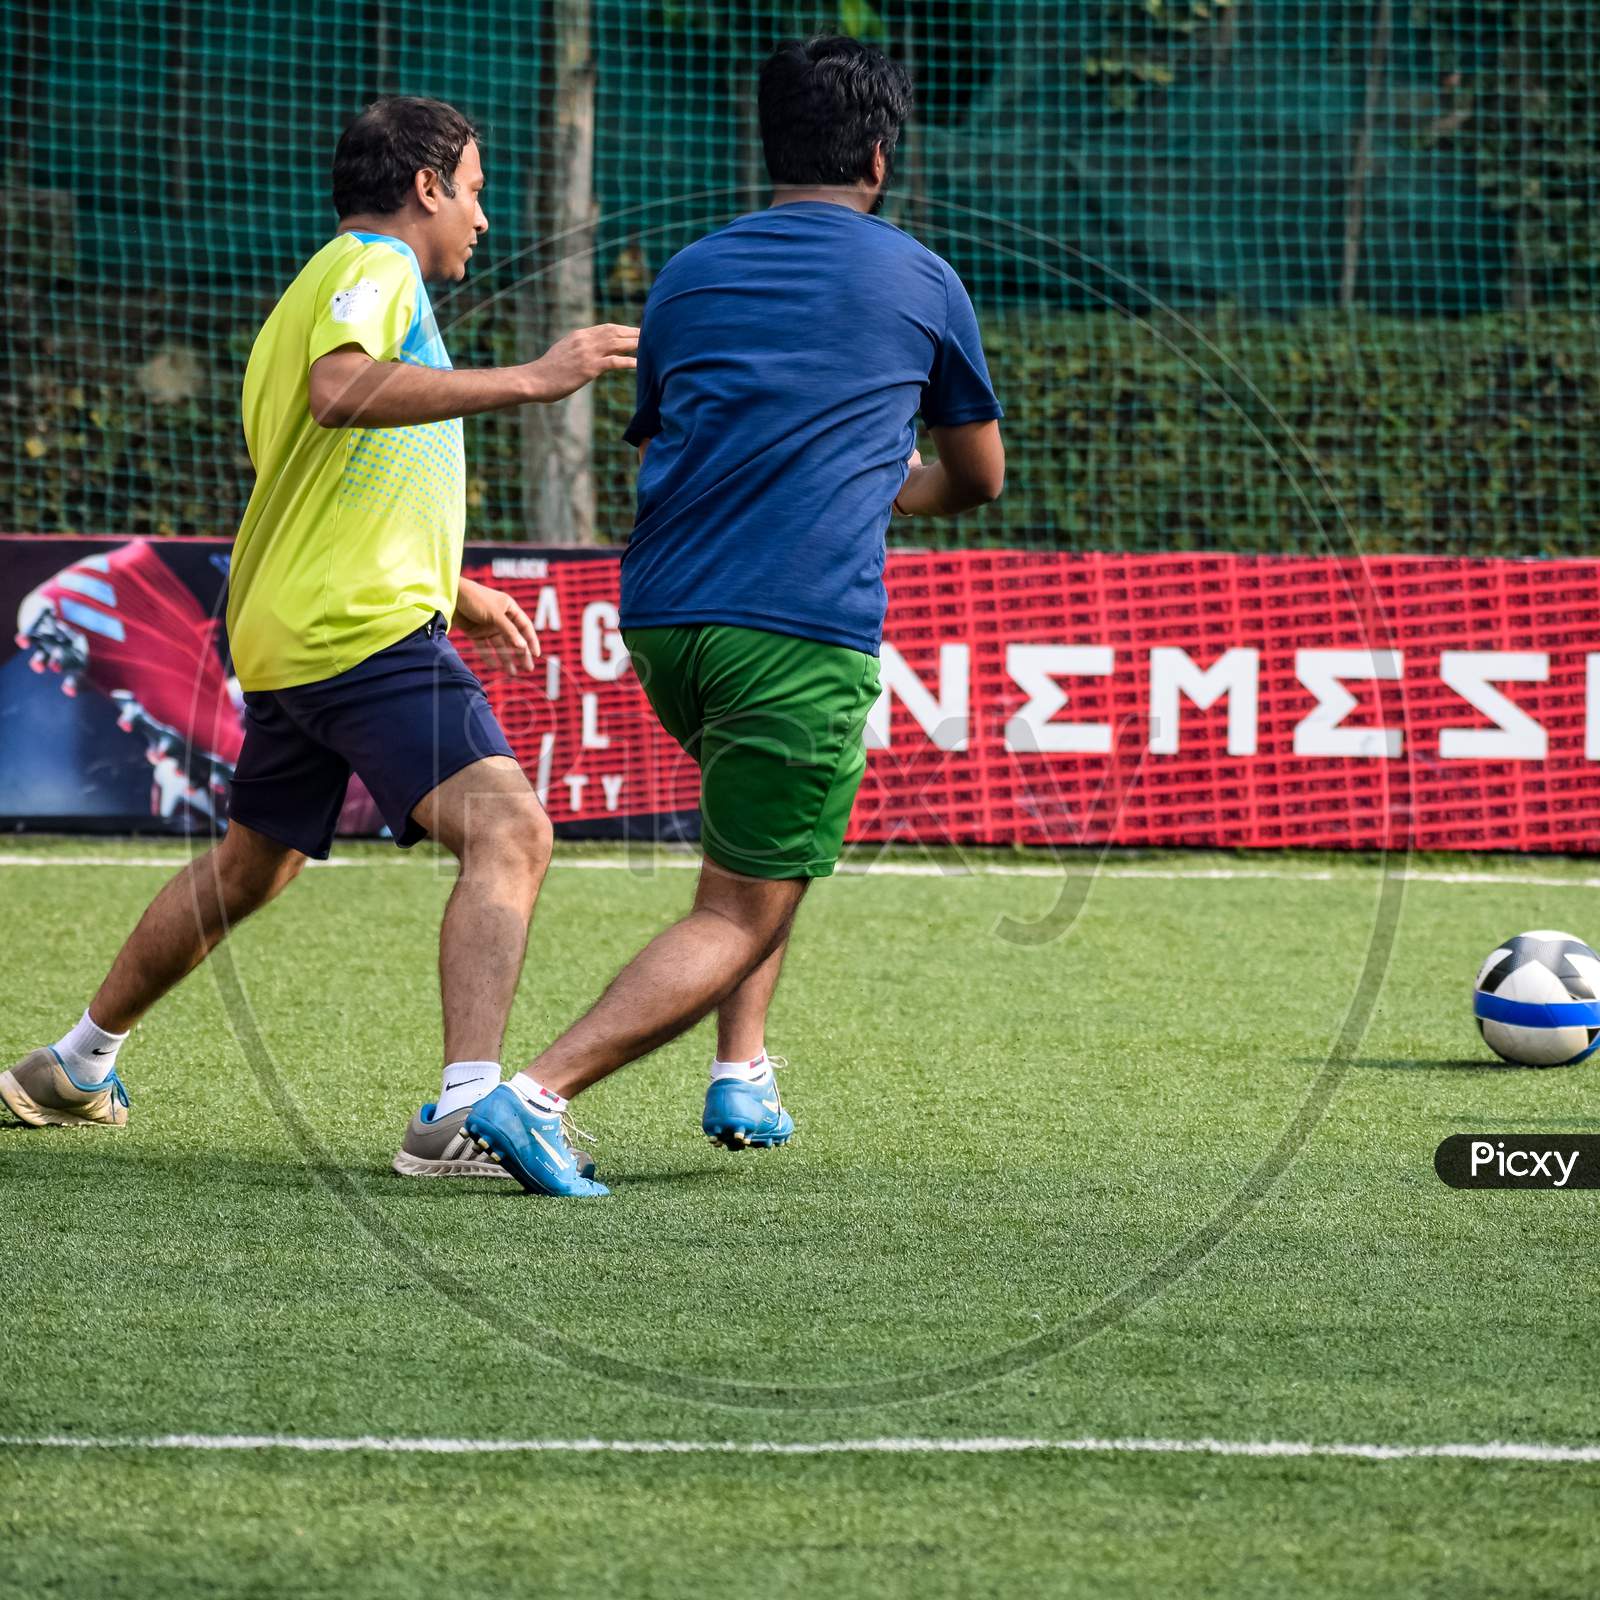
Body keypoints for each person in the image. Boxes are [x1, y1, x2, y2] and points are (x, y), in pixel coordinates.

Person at [0, 96, 636, 1182]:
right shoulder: (373, 268)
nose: (482, 217)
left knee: (253, 866)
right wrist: (538, 376)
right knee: (511, 834)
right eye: (475, 190)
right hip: (357, 624)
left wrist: (460, 584)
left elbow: (335, 470)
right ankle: (468, 1107)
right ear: (426, 187)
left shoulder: (319, 289)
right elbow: (340, 393)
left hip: (298, 620)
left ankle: (73, 1061)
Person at [462, 35, 1005, 1196]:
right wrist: (889, 479)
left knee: (764, 845)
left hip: (664, 619)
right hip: (795, 625)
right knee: (736, 901)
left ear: (770, 148)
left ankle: (741, 1065)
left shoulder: (689, 274)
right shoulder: (921, 279)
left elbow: (670, 436)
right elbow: (978, 477)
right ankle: (536, 1093)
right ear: (877, 152)